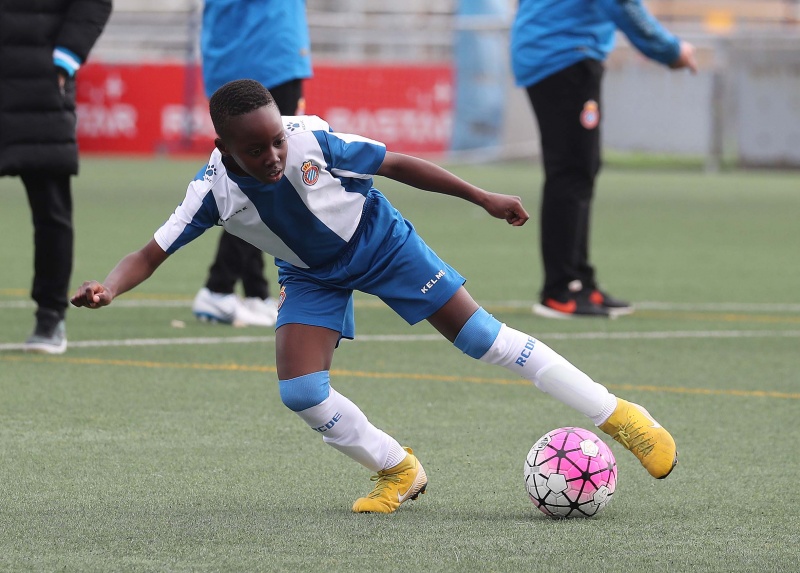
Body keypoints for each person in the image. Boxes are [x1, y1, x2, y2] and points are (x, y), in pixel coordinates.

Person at [71, 79, 678, 514]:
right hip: (311, 275)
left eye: (277, 139)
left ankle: (621, 417)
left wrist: (482, 196)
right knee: (301, 392)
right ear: (224, 148)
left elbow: (398, 165)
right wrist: (109, 287)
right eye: (256, 150)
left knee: (483, 341)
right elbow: (149, 253)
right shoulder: (209, 194)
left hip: (382, 242)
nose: (274, 154)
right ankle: (397, 468)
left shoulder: (313, 140)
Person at [510, 0, 698, 319]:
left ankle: (579, 280)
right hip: (563, 55)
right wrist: (671, 50)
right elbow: (622, 5)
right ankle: (561, 289)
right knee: (571, 171)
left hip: (557, 51)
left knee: (579, 169)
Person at [191, 0, 313, 327]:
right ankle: (219, 287)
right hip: (265, 54)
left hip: (249, 52)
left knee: (259, 175)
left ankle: (255, 291)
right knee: (268, 178)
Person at [0, 0, 112, 354]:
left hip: (42, 88)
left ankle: (50, 316)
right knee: (52, 213)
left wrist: (66, 56)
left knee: (51, 212)